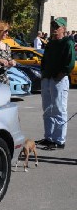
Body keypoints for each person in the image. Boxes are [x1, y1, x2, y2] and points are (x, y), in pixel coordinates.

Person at [36, 17, 75, 150]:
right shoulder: (50, 43)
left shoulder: (67, 42)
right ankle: (49, 137)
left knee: (59, 109)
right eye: (53, 26)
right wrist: (43, 73)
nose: (54, 29)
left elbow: (70, 62)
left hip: (59, 79)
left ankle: (59, 140)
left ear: (63, 28)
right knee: (47, 109)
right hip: (47, 78)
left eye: (57, 27)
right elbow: (45, 59)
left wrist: (61, 74)